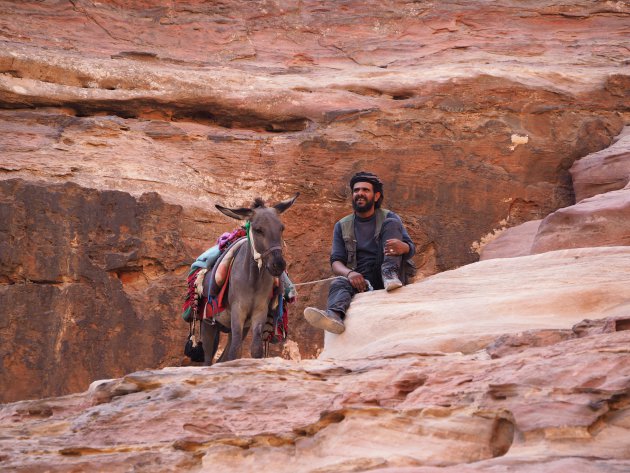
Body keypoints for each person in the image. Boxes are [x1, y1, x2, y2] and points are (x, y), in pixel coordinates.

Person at [304, 171, 416, 334]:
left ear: (376, 196)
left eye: (365, 190)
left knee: (392, 223)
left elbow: (410, 248)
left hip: (388, 273)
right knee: (338, 283)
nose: (360, 194)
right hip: (361, 280)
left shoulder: (389, 217)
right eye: (356, 190)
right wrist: (350, 274)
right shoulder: (342, 225)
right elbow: (336, 262)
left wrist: (403, 247)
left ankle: (389, 274)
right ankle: (334, 316)